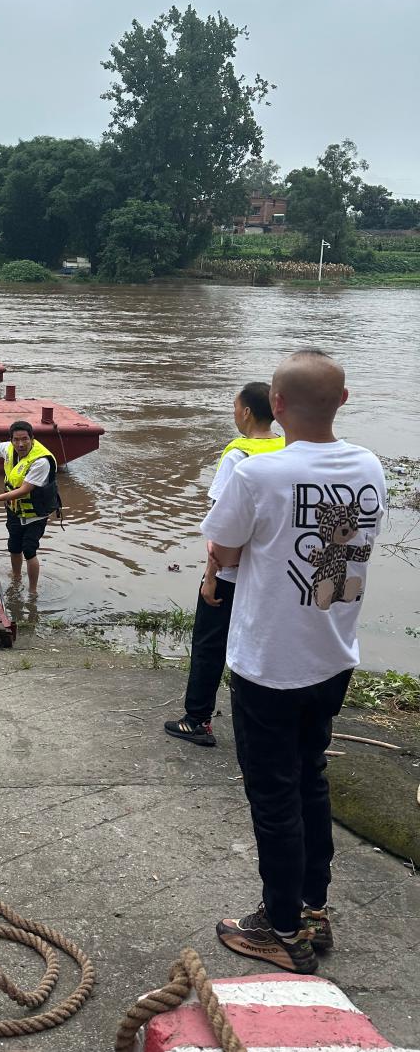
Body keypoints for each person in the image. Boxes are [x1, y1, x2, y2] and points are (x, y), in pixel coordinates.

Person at [202, 348, 385, 973]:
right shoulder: (370, 468)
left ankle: (281, 928)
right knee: (310, 780)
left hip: (269, 663)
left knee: (274, 795)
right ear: (344, 400)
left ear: (275, 405)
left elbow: (223, 552)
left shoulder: (259, 475)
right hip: (333, 656)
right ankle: (313, 907)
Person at [165, 382, 285, 747]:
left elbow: (222, 524)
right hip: (268, 573)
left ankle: (197, 720)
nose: (234, 413)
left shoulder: (237, 454)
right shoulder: (287, 445)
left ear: (246, 412)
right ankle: (271, 724)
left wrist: (210, 577)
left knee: (209, 645)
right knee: (263, 644)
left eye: (235, 407)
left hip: (232, 574)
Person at [0, 420, 60, 592]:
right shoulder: (9, 448)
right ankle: (16, 577)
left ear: (32, 439)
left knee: (29, 550)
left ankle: (32, 591)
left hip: (36, 512)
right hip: (14, 509)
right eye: (16, 440)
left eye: (25, 439)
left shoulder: (41, 461)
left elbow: (25, 490)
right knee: (14, 545)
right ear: (11, 440)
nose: (21, 444)